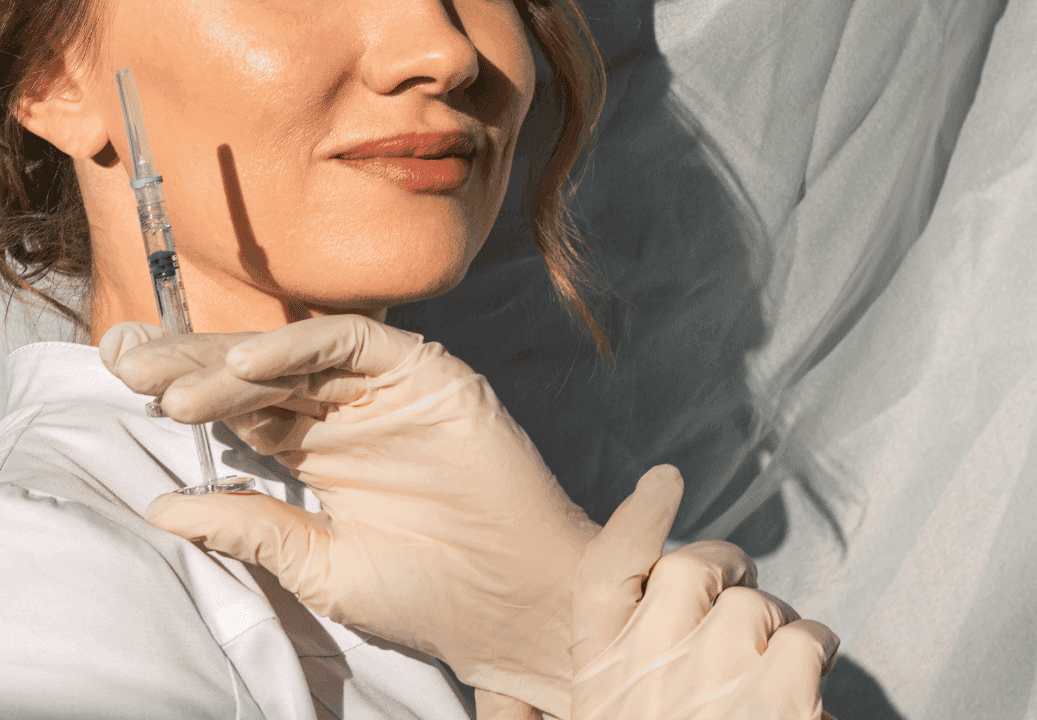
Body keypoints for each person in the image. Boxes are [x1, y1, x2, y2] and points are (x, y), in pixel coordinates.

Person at [0, 0, 839, 718]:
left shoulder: (454, 524)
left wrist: (559, 633)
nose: (445, 51)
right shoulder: (36, 572)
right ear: (50, 75)